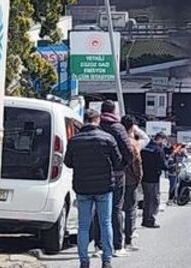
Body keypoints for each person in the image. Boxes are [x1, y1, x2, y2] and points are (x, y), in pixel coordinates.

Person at [64, 109, 122, 268]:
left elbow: (68, 162)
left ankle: (84, 261)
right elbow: (118, 162)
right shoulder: (107, 138)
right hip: (104, 187)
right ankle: (107, 260)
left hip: (82, 187)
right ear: (97, 120)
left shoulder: (74, 140)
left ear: (84, 120)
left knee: (83, 225)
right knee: (105, 223)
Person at [91, 101, 132, 257]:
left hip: (96, 173)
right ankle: (117, 246)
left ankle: (98, 246)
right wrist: (123, 165)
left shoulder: (96, 126)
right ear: (114, 111)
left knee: (98, 210)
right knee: (116, 209)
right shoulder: (118, 127)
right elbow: (129, 151)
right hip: (116, 174)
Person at [119, 116, 143, 252]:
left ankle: (114, 240)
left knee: (115, 210)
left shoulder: (115, 139)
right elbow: (137, 163)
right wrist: (138, 178)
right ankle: (128, 240)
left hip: (116, 178)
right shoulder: (133, 143)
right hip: (130, 180)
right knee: (130, 210)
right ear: (131, 127)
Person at [140, 133, 168, 227]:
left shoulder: (145, 147)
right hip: (154, 178)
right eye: (165, 141)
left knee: (147, 199)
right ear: (161, 139)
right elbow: (162, 165)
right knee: (154, 200)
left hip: (144, 177)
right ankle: (150, 220)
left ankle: (145, 219)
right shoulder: (158, 150)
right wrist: (170, 167)